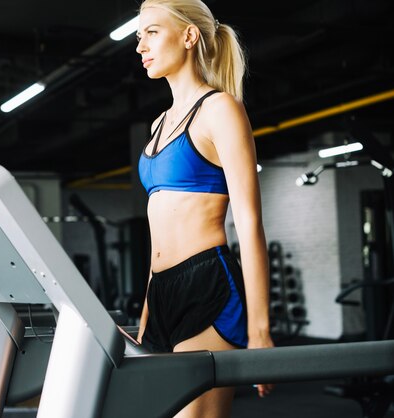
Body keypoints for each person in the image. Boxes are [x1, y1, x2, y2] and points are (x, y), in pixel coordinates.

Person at [134, 1, 274, 417]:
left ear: (189, 37)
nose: (141, 45)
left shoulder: (220, 109)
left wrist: (260, 330)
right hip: (161, 293)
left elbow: (249, 223)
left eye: (152, 32)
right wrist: (145, 313)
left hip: (207, 286)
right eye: (139, 35)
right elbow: (157, 233)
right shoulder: (159, 123)